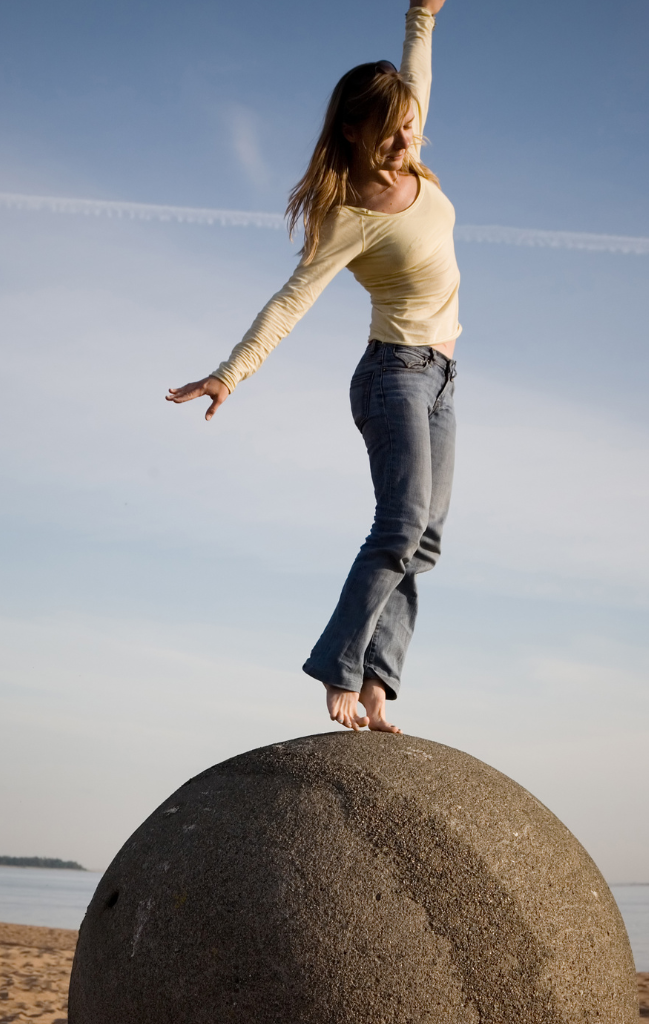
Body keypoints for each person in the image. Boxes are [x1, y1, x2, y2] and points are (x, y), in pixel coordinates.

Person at [167, 0, 457, 735]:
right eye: (389, 126)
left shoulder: (412, 148)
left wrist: (421, 15)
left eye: (410, 122)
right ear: (353, 130)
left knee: (424, 540)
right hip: (394, 376)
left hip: (443, 379)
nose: (406, 133)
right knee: (399, 524)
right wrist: (231, 373)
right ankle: (339, 669)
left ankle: (378, 684)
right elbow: (291, 301)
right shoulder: (348, 214)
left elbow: (416, 72)